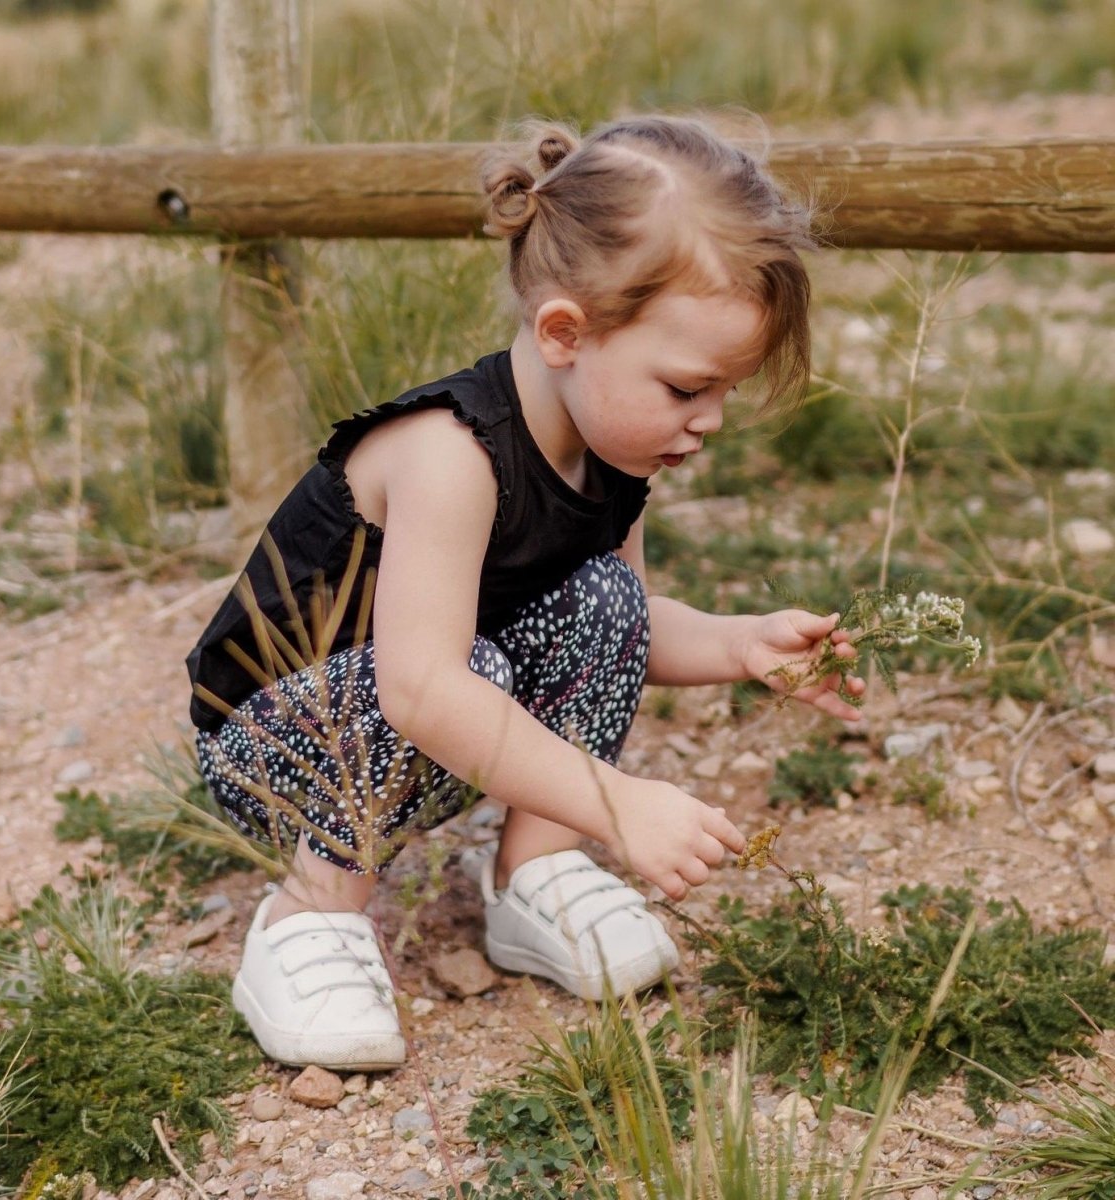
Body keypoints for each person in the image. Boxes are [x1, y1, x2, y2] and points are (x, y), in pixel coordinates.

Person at [186, 114, 865, 1072]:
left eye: (725, 394)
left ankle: (533, 870)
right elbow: (421, 688)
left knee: (604, 601)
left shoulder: (612, 457)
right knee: (468, 665)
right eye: (684, 388)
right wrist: (617, 801)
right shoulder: (451, 455)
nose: (707, 422)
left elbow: (628, 630)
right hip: (276, 741)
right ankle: (307, 914)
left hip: (440, 704)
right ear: (564, 333)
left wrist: (740, 644)